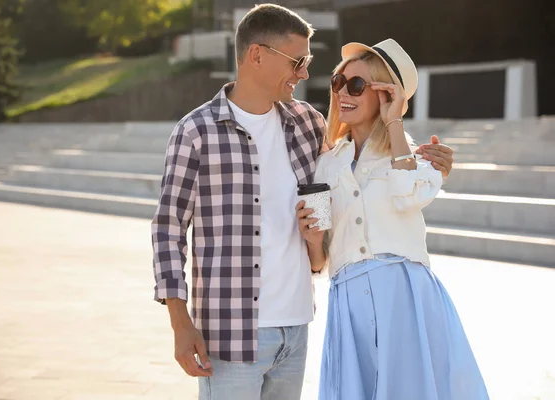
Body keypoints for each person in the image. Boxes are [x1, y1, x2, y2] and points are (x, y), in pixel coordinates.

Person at [151, 4, 455, 399]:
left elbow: (364, 166)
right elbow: (168, 227)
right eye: (298, 61)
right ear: (257, 55)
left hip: (296, 330)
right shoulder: (196, 132)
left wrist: (428, 164)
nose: (305, 73)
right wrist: (179, 322)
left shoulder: (307, 124)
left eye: (309, 62)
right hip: (231, 331)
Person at [296, 38, 488, 399]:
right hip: (349, 299)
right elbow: (319, 261)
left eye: (357, 85)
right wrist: (311, 237)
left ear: (386, 94)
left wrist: (394, 122)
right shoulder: (325, 165)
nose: (343, 93)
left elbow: (409, 194)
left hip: (405, 296)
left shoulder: (421, 159)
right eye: (339, 82)